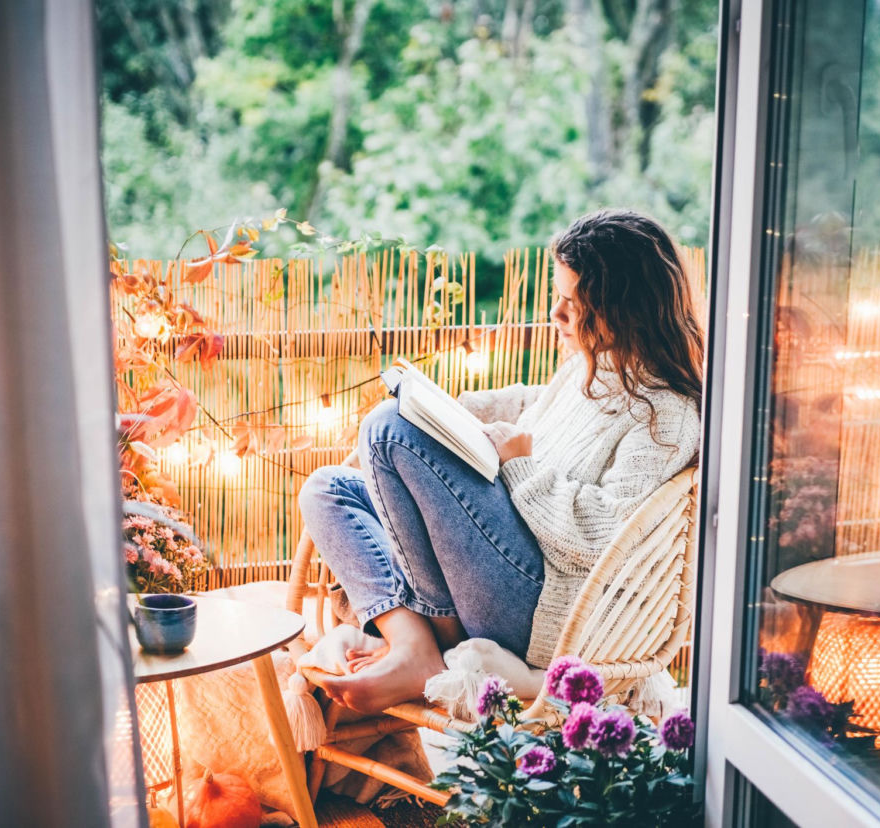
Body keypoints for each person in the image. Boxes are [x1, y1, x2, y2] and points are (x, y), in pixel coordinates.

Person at [298, 209, 703, 713]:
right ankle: (413, 644)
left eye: (575, 304)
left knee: (387, 427)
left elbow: (605, 536)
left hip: (545, 606)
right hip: (502, 564)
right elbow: (533, 405)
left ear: (626, 311)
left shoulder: (667, 416)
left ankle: (420, 642)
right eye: (558, 296)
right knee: (329, 488)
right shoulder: (592, 366)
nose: (556, 314)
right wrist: (449, 411)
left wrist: (520, 467)